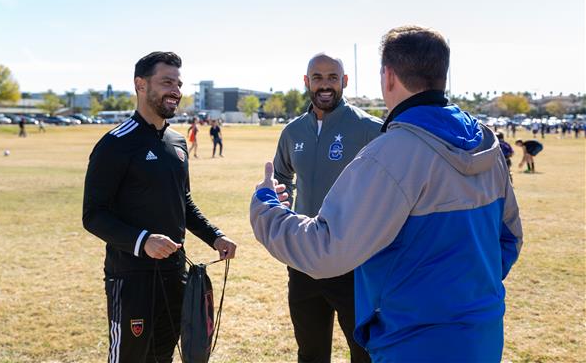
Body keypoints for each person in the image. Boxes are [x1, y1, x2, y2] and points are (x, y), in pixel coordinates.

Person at [250, 26, 523, 362]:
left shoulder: (390, 149)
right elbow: (509, 239)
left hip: (411, 340)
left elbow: (327, 249)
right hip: (481, 335)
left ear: (388, 76)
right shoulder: (487, 142)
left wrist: (265, 208)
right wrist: (467, 294)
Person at [83, 52, 237, 363]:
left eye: (178, 84)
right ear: (140, 85)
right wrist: (143, 241)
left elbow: (184, 202)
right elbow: (93, 215)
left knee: (163, 356)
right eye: (167, 82)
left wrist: (214, 236)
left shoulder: (177, 142)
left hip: (174, 273)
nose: (176, 91)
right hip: (131, 278)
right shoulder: (115, 144)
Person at [273, 53, 380, 363]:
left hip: (353, 262)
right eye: (317, 78)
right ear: (307, 82)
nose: (325, 85)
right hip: (303, 259)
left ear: (344, 82)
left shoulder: (369, 128)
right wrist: (283, 213)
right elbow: (281, 176)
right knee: (310, 353)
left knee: (364, 353)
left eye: (332, 77)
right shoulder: (293, 131)